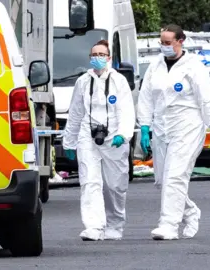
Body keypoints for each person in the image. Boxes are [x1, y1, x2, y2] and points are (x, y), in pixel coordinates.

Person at [137, 24, 210, 240]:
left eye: (168, 42)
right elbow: (146, 96)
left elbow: (206, 97)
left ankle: (168, 225)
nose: (164, 46)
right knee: (161, 180)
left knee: (175, 176)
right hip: (162, 127)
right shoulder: (155, 65)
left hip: (187, 126)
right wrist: (145, 126)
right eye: (161, 42)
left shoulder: (193, 66)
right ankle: (190, 211)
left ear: (180, 41)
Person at [63, 40, 135, 241]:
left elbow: (127, 110)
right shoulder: (83, 82)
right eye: (94, 54)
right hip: (89, 134)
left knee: (115, 185)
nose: (97, 58)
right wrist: (69, 141)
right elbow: (76, 113)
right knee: (90, 181)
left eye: (102, 54)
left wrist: (124, 133)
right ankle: (93, 226)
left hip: (114, 138)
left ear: (109, 58)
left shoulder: (118, 81)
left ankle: (115, 224)